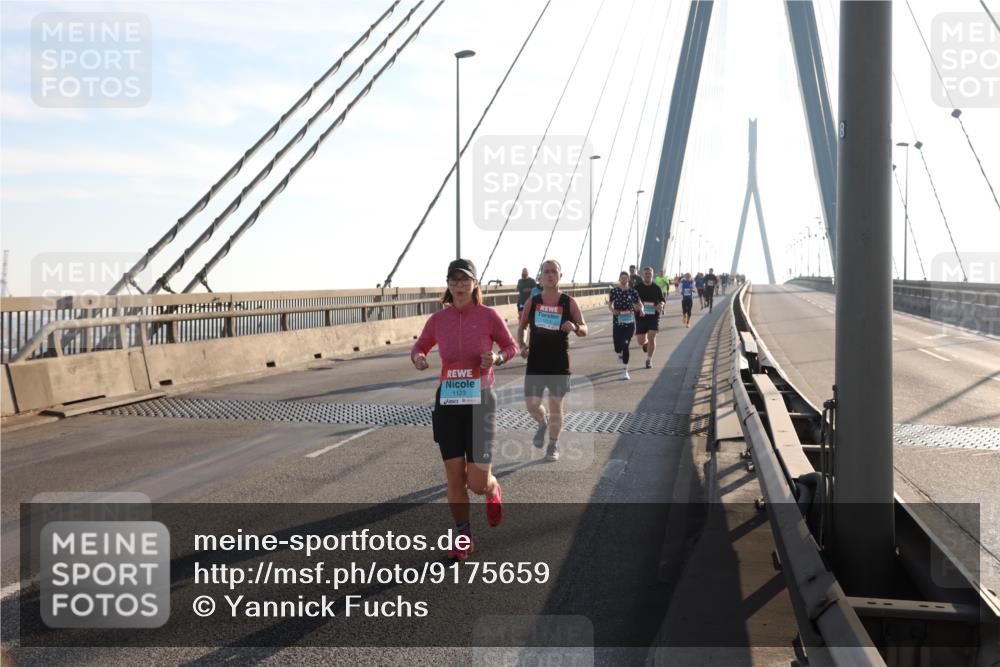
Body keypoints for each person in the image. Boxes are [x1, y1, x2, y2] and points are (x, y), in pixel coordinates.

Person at [411, 258, 518, 561]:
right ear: (448, 284)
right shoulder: (438, 320)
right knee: (455, 478)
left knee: (476, 483)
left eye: (464, 279)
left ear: (474, 284)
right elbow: (419, 346)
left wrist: (496, 359)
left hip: (480, 403)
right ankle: (463, 536)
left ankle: (493, 487)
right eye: (453, 280)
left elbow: (511, 347)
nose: (459, 285)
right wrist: (418, 358)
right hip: (448, 403)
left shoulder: (488, 316)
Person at [518, 259, 588, 461]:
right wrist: (522, 345)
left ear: (560, 276)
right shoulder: (534, 301)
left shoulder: (568, 302)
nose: (550, 275)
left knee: (556, 406)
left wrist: (575, 327)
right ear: (540, 276)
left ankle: (553, 444)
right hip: (536, 361)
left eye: (554, 272)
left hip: (559, 362)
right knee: (532, 405)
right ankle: (543, 422)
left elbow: (584, 328)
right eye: (546, 271)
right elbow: (522, 326)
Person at [608, 271, 641, 380]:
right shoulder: (614, 291)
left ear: (628, 280)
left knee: (625, 345)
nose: (624, 279)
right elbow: (610, 304)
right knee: (617, 347)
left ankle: (625, 371)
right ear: (619, 279)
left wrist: (639, 309)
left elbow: (638, 304)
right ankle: (620, 352)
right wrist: (613, 310)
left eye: (625, 278)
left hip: (629, 323)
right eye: (622, 278)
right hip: (617, 322)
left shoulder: (633, 292)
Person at [634, 266, 666, 369]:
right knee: (640, 341)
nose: (648, 275)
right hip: (641, 317)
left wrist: (661, 305)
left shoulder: (656, 288)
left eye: (650, 274)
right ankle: (645, 343)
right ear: (643, 275)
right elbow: (632, 301)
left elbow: (662, 300)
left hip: (653, 316)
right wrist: (636, 306)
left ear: (653, 275)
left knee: (652, 336)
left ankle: (649, 360)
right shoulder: (637, 288)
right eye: (646, 274)